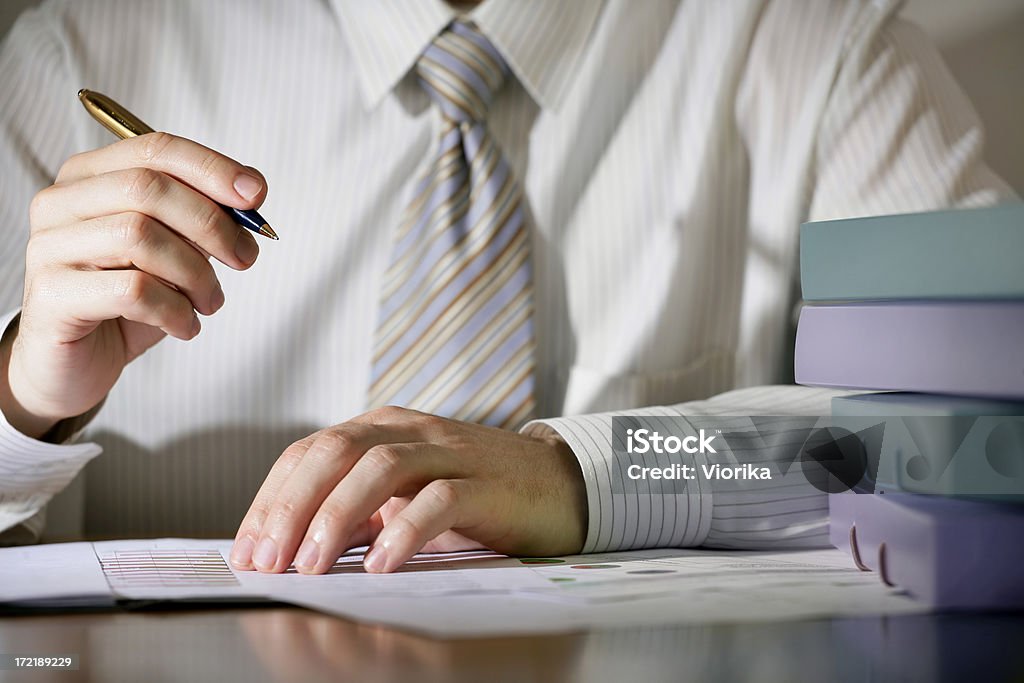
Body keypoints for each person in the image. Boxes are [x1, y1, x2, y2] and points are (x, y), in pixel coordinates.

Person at [0, 0, 1011, 573]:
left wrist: (591, 473)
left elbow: (983, 440)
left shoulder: (823, 46)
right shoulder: (72, 57)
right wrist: (21, 401)